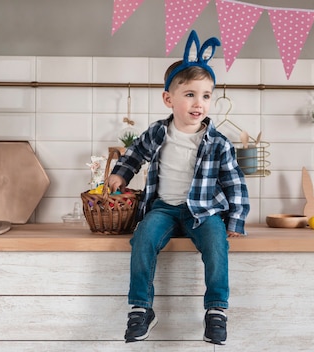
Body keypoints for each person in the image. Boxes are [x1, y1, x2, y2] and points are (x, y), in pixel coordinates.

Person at [107, 30, 249, 346]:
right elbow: (135, 154)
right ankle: (141, 308)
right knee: (142, 238)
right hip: (164, 209)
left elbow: (234, 182)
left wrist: (236, 220)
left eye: (206, 95)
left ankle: (216, 310)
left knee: (216, 245)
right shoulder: (158, 132)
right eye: (189, 95)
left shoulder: (217, 142)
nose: (198, 103)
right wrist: (120, 175)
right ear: (168, 98)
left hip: (203, 212)